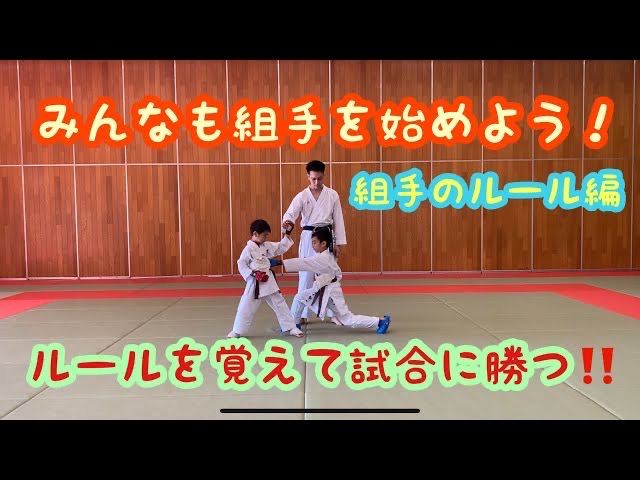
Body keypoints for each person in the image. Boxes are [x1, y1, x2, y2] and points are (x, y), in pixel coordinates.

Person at [271, 226, 391, 334]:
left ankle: (380, 322)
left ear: (323, 243)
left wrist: (280, 262)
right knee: (300, 297)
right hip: (324, 289)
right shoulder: (323, 255)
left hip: (332, 292)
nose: (312, 245)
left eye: (314, 242)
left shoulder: (324, 258)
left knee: (348, 319)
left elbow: (304, 262)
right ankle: (293, 325)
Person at [282, 160, 346, 325]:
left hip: (326, 237)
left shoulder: (332, 195)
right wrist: (287, 222)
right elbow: (290, 214)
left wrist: (338, 243)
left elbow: (338, 219)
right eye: (313, 179)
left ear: (324, 176)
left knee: (328, 277)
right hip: (309, 237)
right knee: (305, 276)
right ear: (308, 177)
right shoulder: (302, 196)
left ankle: (333, 312)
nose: (316, 182)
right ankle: (300, 314)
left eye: (320, 178)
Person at [227, 219, 304, 339]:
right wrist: (253, 274)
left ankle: (291, 327)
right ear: (255, 234)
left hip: (268, 280)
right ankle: (237, 331)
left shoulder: (266, 246)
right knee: (245, 306)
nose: (265, 238)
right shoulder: (248, 249)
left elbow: (280, 247)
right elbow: (241, 264)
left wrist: (287, 234)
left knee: (280, 303)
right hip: (255, 283)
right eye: (264, 235)